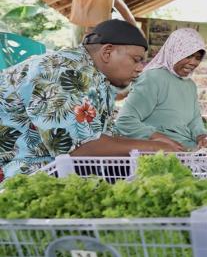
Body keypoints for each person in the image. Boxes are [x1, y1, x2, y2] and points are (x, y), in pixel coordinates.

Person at [0, 19, 183, 181]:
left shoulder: (95, 77)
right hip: (19, 177)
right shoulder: (61, 70)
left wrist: (153, 142)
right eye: (136, 60)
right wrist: (154, 148)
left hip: (50, 171)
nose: (139, 69)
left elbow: (100, 137)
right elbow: (80, 149)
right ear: (107, 52)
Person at [115, 28, 207, 152]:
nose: (193, 62)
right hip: (166, 145)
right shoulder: (152, 78)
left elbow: (194, 120)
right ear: (174, 51)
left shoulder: (190, 85)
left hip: (184, 138)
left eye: (197, 57)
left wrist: (201, 137)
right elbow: (125, 120)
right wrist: (159, 138)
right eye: (188, 55)